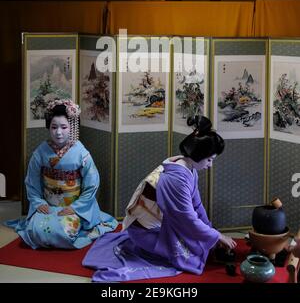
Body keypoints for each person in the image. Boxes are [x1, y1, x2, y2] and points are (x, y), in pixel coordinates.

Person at [83, 115, 236, 282]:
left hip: (163, 222)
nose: (210, 165)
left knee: (201, 243)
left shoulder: (186, 167)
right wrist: (215, 236)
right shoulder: (176, 179)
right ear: (198, 154)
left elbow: (196, 205)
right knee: (190, 253)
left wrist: (212, 232)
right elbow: (187, 219)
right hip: (145, 232)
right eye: (209, 159)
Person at [6, 99, 118, 249]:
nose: (58, 132)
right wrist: (39, 203)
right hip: (48, 205)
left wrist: (76, 207)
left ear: (72, 127)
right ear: (48, 127)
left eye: (64, 127)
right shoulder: (40, 152)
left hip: (73, 206)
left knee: (65, 233)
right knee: (36, 232)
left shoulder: (81, 153)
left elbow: (92, 183)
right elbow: (31, 181)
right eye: (54, 127)